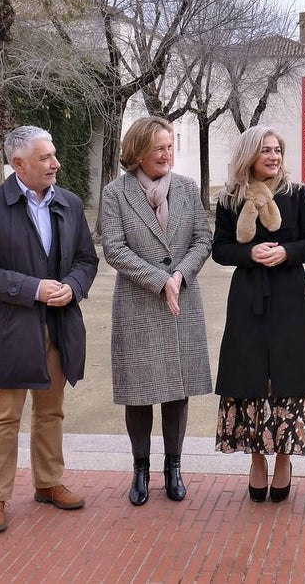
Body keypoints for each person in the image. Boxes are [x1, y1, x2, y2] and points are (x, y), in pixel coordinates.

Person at [0, 125, 99, 535]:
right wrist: (34, 289)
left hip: (59, 324)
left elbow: (86, 259)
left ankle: (48, 482)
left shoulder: (70, 204)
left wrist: (72, 287)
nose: (56, 164)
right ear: (18, 163)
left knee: (51, 410)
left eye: (54, 155)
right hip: (12, 329)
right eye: (46, 158)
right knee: (5, 415)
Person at [100, 115, 213, 506]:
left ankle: (174, 467)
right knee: (139, 392)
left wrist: (179, 275)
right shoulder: (116, 193)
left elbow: (203, 239)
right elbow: (114, 248)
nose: (166, 154)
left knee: (177, 390)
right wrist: (158, 279)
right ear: (138, 152)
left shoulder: (186, 188)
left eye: (169, 147)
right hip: (137, 303)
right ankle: (141, 468)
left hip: (182, 301)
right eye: (158, 148)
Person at [212, 126, 305, 503]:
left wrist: (286, 252)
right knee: (249, 377)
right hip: (248, 298)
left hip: (290, 297)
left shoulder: (296, 193)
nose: (274, 156)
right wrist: (250, 254)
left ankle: (284, 459)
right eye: (266, 151)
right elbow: (220, 249)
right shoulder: (229, 198)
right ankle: (257, 459)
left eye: (277, 150)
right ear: (249, 156)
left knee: (288, 378)